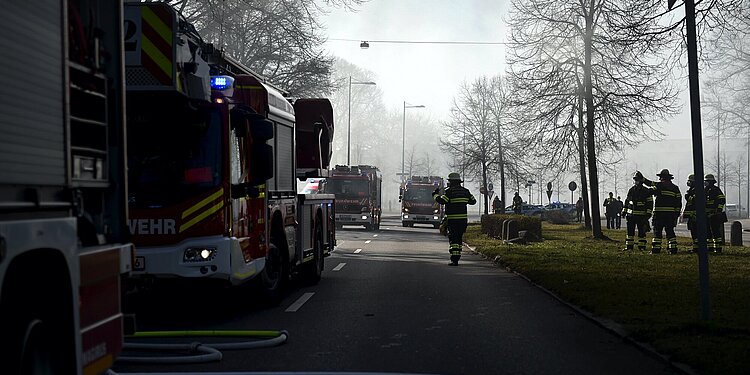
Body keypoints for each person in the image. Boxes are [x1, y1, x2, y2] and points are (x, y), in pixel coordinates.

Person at [434, 173, 477, 266]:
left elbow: (442, 201)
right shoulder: (466, 191)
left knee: (454, 240)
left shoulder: (449, 192)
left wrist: (435, 195)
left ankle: (454, 259)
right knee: (459, 239)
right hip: (463, 221)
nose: (448, 183)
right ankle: (457, 256)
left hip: (452, 220)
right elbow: (473, 201)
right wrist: (464, 201)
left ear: (452, 182)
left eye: (449, 182)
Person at [643, 169, 682, 254]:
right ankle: (673, 249)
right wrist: (676, 214)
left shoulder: (659, 185)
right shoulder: (675, 188)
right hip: (670, 215)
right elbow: (679, 202)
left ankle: (656, 250)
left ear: (662, 177)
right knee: (670, 232)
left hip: (659, 214)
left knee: (657, 232)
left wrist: (642, 180)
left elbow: (650, 184)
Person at [622, 171, 653, 251]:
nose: (636, 181)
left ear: (641, 181)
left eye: (637, 180)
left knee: (642, 233)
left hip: (641, 216)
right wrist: (624, 211)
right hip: (631, 216)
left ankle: (642, 247)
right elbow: (627, 201)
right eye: (635, 180)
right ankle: (629, 247)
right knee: (630, 233)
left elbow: (650, 203)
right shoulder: (631, 190)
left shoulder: (646, 191)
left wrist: (648, 214)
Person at [704, 174, 727, 253]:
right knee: (707, 232)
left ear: (710, 182)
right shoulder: (704, 190)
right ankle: (710, 248)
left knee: (715, 231)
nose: (705, 183)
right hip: (706, 215)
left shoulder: (716, 190)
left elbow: (722, 200)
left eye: (706, 181)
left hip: (714, 214)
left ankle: (718, 248)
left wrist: (718, 210)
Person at [682, 174, 698, 252]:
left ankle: (697, 248)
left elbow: (695, 200)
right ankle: (696, 248)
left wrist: (688, 196)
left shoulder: (696, 190)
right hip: (692, 216)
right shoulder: (692, 190)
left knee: (696, 233)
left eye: (690, 181)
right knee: (694, 233)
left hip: (695, 216)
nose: (688, 183)